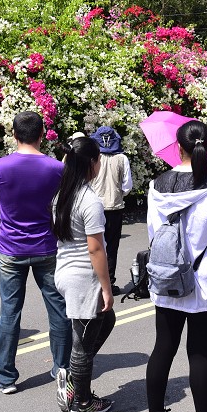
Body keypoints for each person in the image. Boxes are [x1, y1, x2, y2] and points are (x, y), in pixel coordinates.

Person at [140, 119, 207, 412]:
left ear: (177, 147)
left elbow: (155, 235)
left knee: (162, 347)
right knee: (199, 353)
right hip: (202, 280)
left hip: (166, 275)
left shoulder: (156, 186)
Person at [0, 111, 71, 395]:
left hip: (11, 246)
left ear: (13, 134)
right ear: (42, 134)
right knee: (58, 309)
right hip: (47, 245)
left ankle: (5, 375)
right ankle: (63, 368)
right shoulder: (55, 168)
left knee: (9, 311)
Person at [53, 136, 116, 412]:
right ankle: (81, 401)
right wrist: (106, 287)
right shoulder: (89, 200)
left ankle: (75, 381)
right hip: (83, 278)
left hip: (65, 270)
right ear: (92, 163)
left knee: (102, 324)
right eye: (99, 159)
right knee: (83, 343)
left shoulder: (62, 194)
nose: (100, 163)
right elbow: (95, 248)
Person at [88, 125, 133, 295]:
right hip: (114, 207)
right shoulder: (122, 158)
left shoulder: (93, 157)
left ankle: (94, 282)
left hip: (93, 207)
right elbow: (127, 186)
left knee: (94, 244)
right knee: (111, 247)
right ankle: (110, 282)